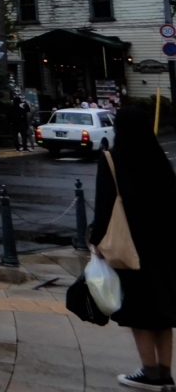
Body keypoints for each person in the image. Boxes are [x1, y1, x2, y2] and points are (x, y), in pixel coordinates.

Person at [89, 105, 176, 390]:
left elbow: (104, 204)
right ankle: (165, 372)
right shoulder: (158, 159)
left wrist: (97, 240)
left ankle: (149, 372)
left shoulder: (113, 159)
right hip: (163, 246)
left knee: (139, 310)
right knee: (163, 311)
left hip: (130, 247)